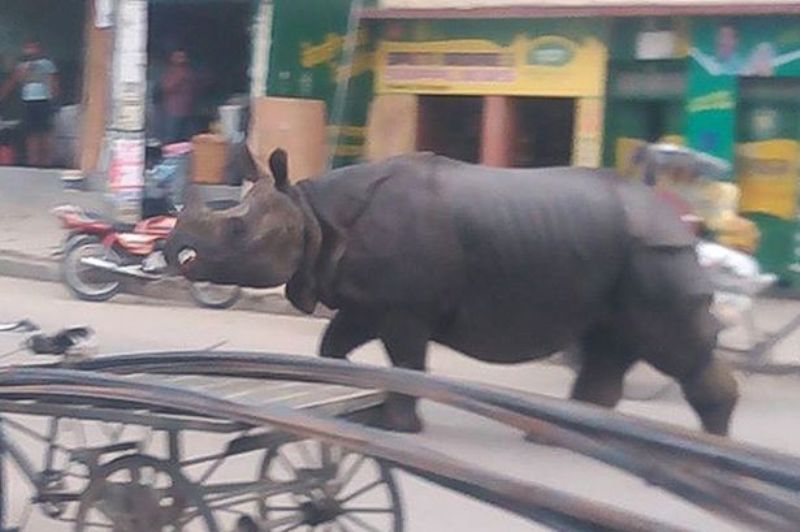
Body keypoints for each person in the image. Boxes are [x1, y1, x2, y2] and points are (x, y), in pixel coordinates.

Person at [0, 39, 59, 167]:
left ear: (39, 49)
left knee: (45, 131)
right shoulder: (22, 66)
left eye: (33, 48)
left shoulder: (46, 64)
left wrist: (55, 99)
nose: (30, 51)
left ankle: (47, 160)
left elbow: (54, 82)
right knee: (31, 132)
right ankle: (33, 160)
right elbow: (12, 82)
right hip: (28, 101)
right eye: (27, 48)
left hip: (44, 101)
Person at [158, 49, 198, 144]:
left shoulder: (187, 72)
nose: (181, 59)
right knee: (171, 138)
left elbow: (195, 87)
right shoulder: (173, 72)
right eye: (178, 57)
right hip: (173, 110)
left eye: (182, 57)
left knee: (183, 138)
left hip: (185, 110)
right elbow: (166, 87)